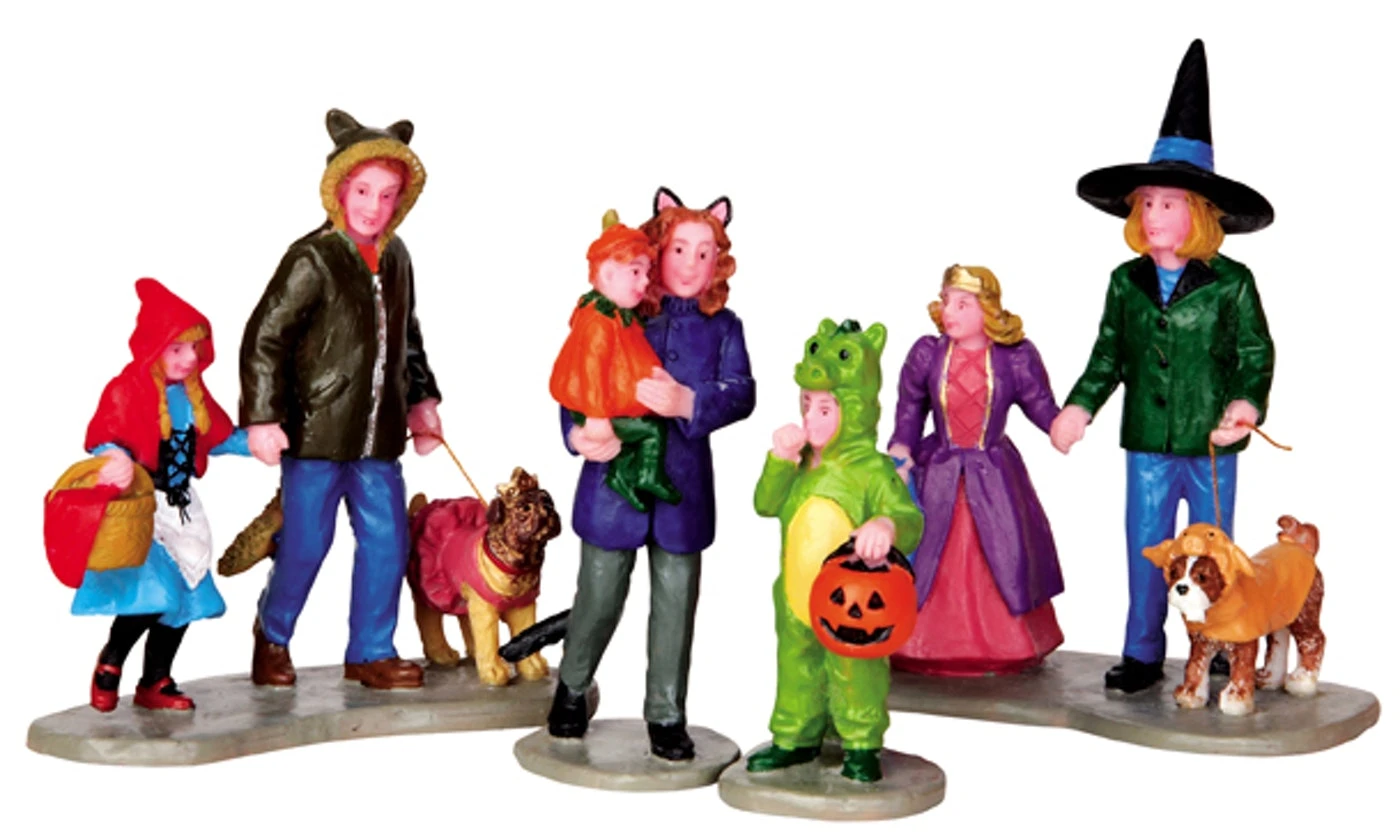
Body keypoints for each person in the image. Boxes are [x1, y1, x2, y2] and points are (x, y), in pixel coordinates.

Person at [1049, 40, 1275, 693]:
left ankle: (1223, 639)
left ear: (1198, 212)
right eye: (1146, 203)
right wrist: (1080, 406)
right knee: (1146, 545)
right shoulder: (1126, 282)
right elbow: (1109, 354)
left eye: (1168, 204)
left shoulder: (1232, 283)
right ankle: (1143, 648)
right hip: (1148, 443)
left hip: (1211, 444)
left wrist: (1245, 404)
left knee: (1212, 549)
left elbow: (1255, 352)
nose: (1153, 216)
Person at [547, 187, 755, 761]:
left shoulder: (723, 327)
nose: (690, 264)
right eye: (680, 249)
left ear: (719, 263)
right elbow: (579, 375)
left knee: (675, 605)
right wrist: (576, 434)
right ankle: (572, 685)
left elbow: (742, 392)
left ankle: (665, 712)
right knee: (599, 594)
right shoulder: (619, 308)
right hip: (613, 482)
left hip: (682, 489)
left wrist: (690, 402)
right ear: (657, 251)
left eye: (705, 253)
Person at [241, 109, 444, 690]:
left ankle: (372, 650)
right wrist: (262, 417)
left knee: (388, 541)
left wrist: (421, 400)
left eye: (387, 194)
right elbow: (265, 337)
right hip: (316, 433)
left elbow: (407, 337)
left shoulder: (398, 257)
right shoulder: (313, 258)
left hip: (379, 437)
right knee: (307, 543)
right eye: (363, 191)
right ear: (338, 189)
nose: (374, 207)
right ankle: (272, 633)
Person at [747, 318, 923, 783]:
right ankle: (794, 736)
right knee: (796, 667)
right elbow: (765, 504)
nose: (811, 419)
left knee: (856, 669)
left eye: (825, 408)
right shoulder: (800, 463)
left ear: (855, 409)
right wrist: (780, 461)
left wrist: (885, 524)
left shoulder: (872, 470)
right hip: (795, 595)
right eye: (807, 404)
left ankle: (861, 742)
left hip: (853, 602)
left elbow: (909, 519)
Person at [72, 278, 251, 711]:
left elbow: (217, 436)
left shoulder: (192, 395)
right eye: (177, 348)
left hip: (181, 505)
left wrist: (257, 442)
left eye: (194, 348)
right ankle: (111, 660)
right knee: (153, 592)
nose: (189, 358)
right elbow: (105, 437)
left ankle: (155, 679)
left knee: (186, 594)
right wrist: (113, 456)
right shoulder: (126, 390)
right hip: (141, 509)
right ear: (155, 348)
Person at [887, 265, 1064, 676]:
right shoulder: (928, 354)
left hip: (993, 472)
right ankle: (923, 641)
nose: (950, 311)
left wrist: (1059, 424)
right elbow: (910, 407)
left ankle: (1006, 641)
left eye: (962, 304)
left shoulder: (1014, 357)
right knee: (929, 550)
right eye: (946, 301)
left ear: (987, 309)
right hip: (940, 469)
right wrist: (901, 447)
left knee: (1005, 550)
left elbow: (1038, 402)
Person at [549, 211, 679, 512]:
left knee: (640, 434)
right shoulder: (601, 320)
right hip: (601, 415)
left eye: (647, 272)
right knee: (651, 431)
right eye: (636, 272)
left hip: (619, 412)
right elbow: (590, 370)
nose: (645, 281)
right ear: (608, 275)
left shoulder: (620, 317)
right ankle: (644, 475)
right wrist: (592, 420)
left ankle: (624, 476)